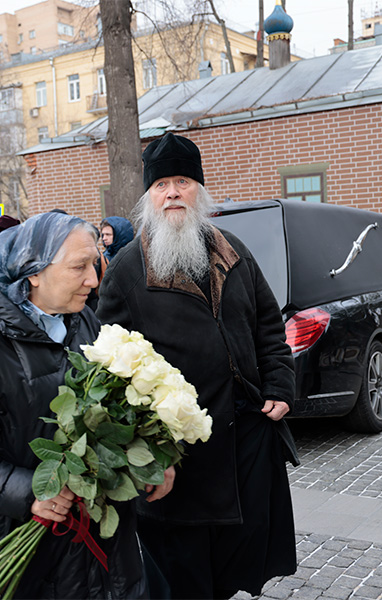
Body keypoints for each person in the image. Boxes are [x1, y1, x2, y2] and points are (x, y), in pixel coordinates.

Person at [97, 132, 298, 599]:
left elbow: (268, 324)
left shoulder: (234, 251)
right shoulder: (128, 268)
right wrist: (144, 449)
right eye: (161, 183)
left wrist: (280, 385)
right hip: (178, 456)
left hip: (242, 438)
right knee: (181, 571)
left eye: (182, 181)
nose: (172, 192)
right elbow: (109, 366)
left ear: (199, 190)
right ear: (149, 195)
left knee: (235, 558)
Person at [0, 213, 153, 598]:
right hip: (13, 548)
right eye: (79, 267)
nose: (93, 280)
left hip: (95, 545)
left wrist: (146, 455)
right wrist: (30, 492)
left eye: (94, 265)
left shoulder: (82, 320)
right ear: (32, 273)